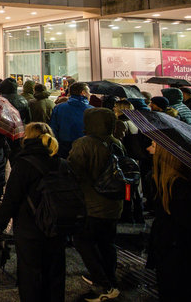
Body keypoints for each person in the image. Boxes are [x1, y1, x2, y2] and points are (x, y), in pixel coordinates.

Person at [0, 122, 66, 302]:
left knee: (30, 273)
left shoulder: (24, 164)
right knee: (55, 271)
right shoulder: (61, 163)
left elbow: (11, 198)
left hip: (30, 227)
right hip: (57, 225)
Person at [68, 108, 123, 302]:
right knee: (107, 244)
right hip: (113, 205)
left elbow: (73, 172)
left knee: (83, 242)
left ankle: (103, 284)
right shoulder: (115, 143)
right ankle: (111, 279)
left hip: (91, 205)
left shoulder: (84, 144)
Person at [147, 141, 191, 300]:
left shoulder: (176, 188)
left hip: (178, 259)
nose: (148, 149)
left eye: (153, 145)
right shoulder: (173, 185)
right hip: (177, 256)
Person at [50, 82, 91, 158]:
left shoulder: (59, 108)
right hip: (85, 148)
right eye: (89, 92)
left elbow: (53, 129)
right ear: (83, 93)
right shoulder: (91, 110)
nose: (90, 94)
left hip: (63, 147)